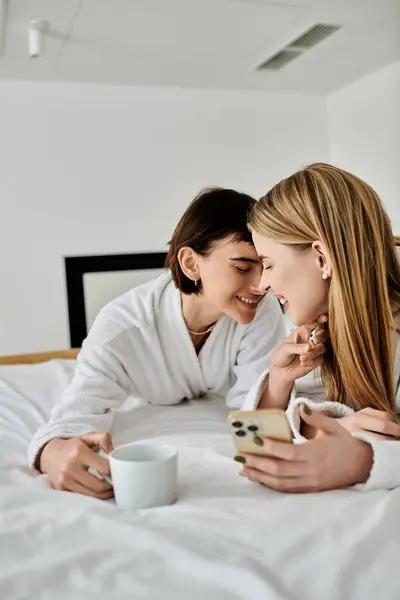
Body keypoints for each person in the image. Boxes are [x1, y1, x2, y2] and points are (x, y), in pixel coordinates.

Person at [29, 187, 325, 499]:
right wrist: (52, 455)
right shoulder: (121, 328)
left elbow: (252, 414)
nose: (261, 284)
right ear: (191, 263)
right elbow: (72, 417)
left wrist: (285, 394)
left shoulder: (259, 310)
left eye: (264, 265)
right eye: (241, 267)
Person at [237, 163, 400, 492]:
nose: (263, 284)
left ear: (322, 258)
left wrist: (364, 461)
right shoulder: (319, 332)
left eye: (268, 264)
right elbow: (250, 446)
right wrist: (277, 385)